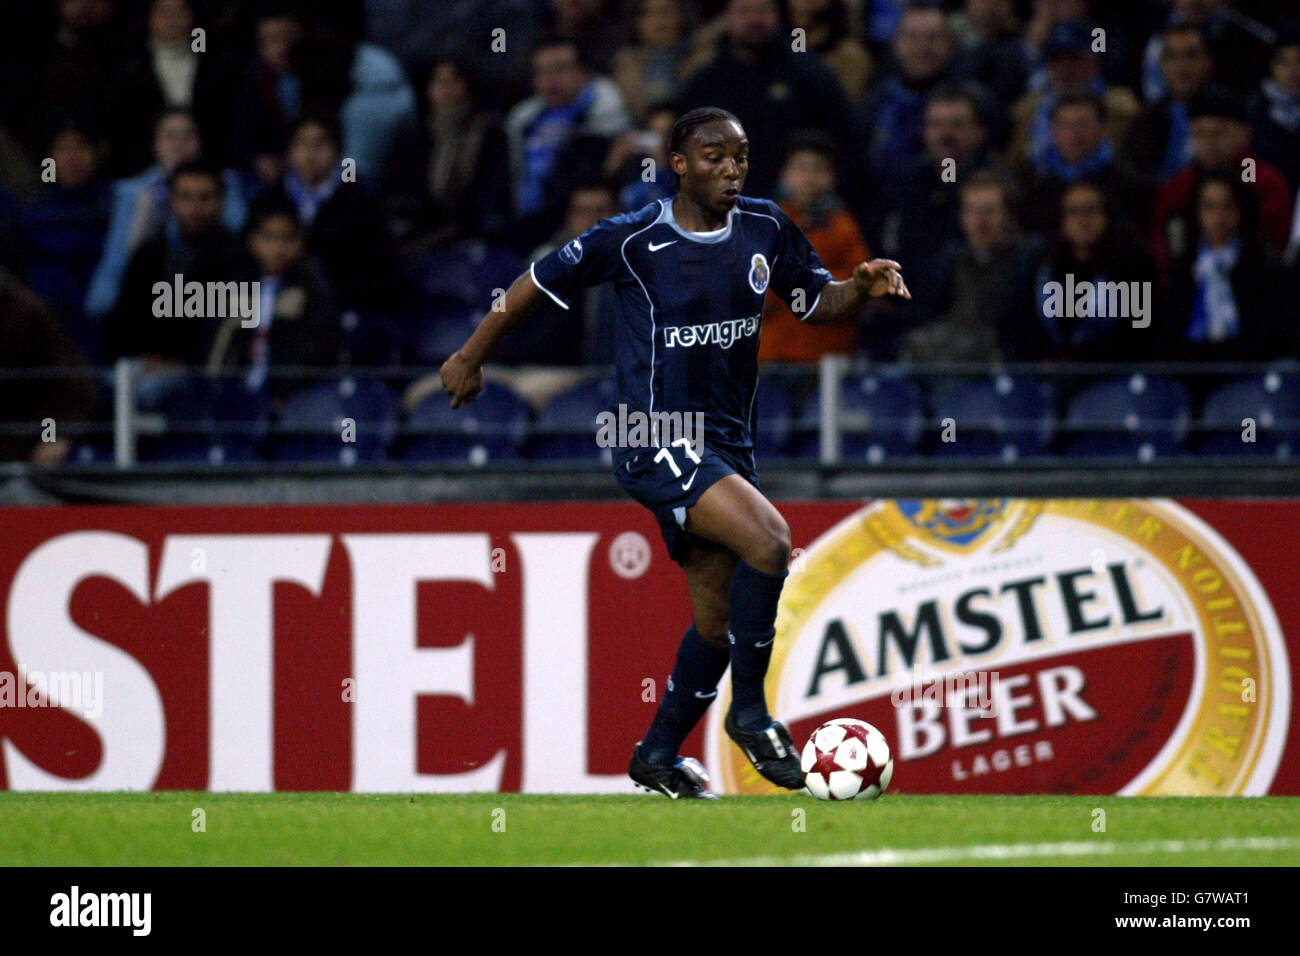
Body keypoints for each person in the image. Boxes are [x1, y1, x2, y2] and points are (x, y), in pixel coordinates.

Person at [439, 107, 910, 797]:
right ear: (680, 164)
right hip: (652, 435)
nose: (731, 168)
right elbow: (534, 285)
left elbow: (815, 304)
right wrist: (469, 355)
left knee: (717, 622)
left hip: (725, 443)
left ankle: (657, 755)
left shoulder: (766, 227)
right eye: (715, 156)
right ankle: (749, 715)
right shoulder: (631, 238)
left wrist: (858, 290)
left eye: (741, 157)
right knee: (772, 542)